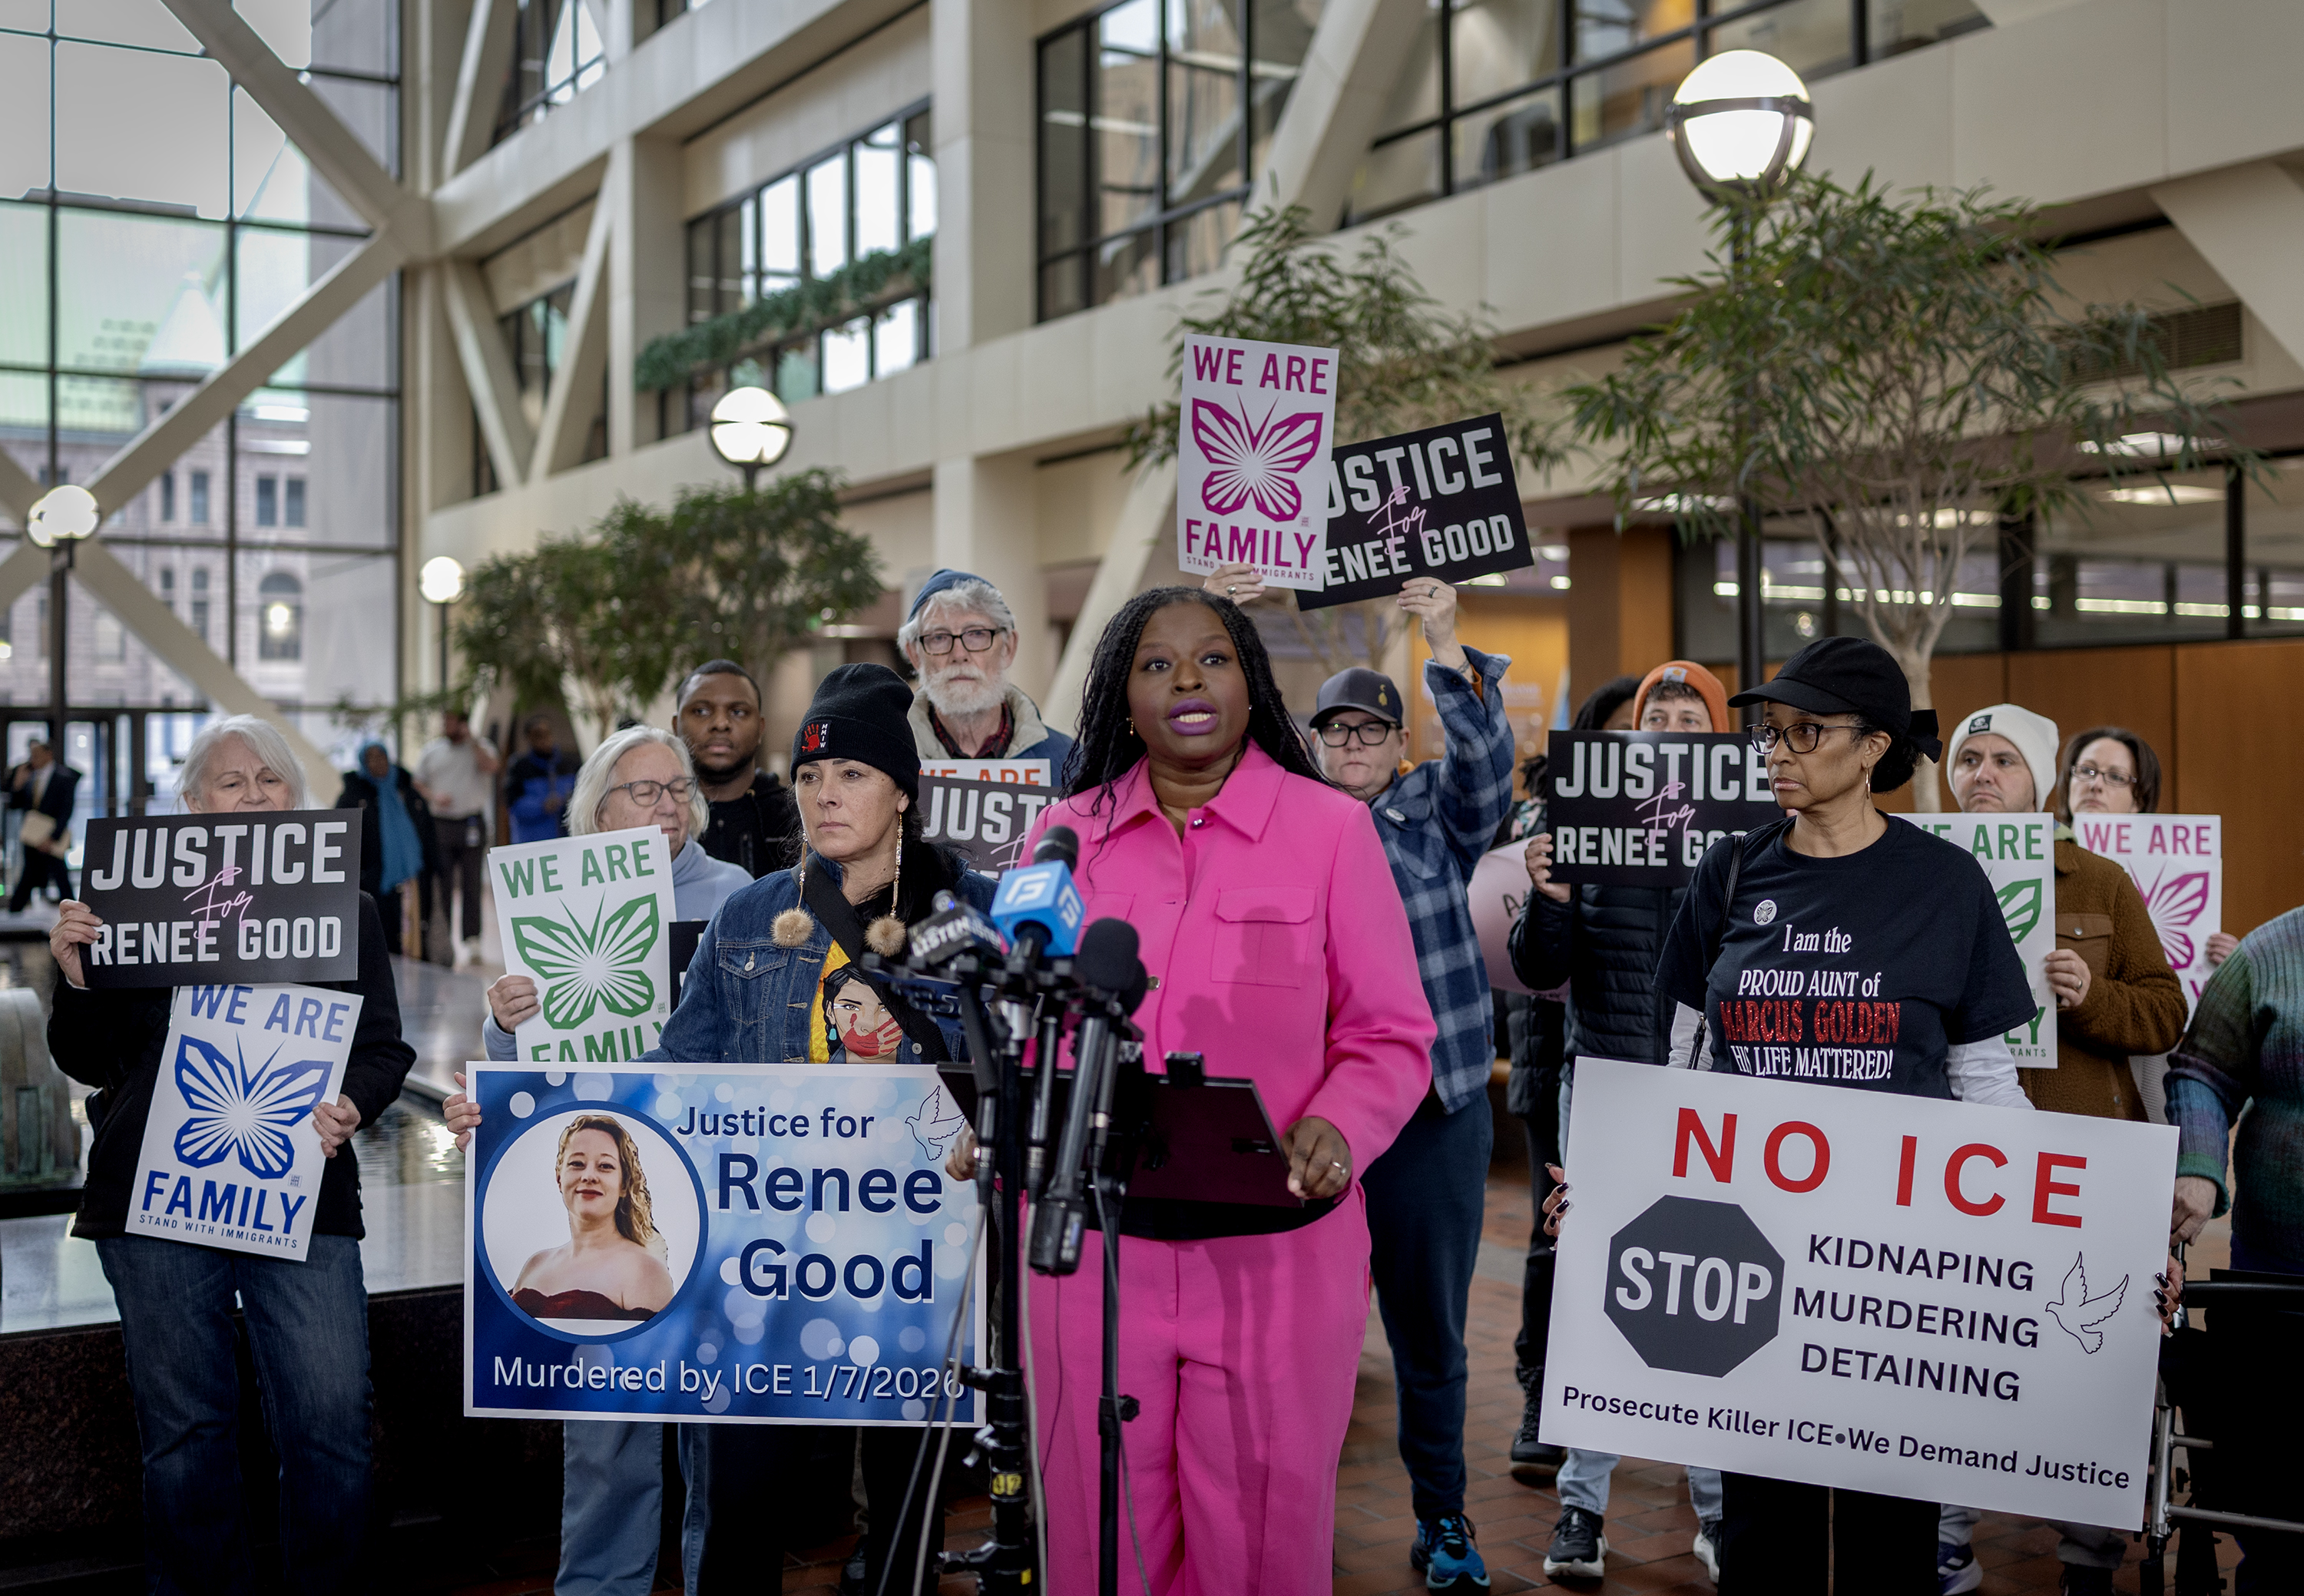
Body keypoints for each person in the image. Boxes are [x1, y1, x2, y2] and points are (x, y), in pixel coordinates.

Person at [1008, 586, 1433, 1596]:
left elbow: (1389, 1033)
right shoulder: (1063, 837)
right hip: (1094, 1253)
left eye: (1213, 660)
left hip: (1276, 1254)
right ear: (1121, 695)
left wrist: (1338, 1120)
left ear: (1252, 683)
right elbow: (1021, 1022)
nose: (1187, 680)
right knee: (1098, 1534)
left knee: (1263, 1539)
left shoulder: (1331, 830)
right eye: (1157, 664)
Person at [1637, 635, 2037, 1596]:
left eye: (1804, 730)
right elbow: (1680, 1066)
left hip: (1891, 1271)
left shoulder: (1947, 885)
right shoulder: (1729, 874)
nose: (1776, 749)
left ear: (1873, 748)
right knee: (1762, 1539)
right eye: (1770, 730)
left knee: (1887, 1546)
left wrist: (2089, 1222)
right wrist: (1622, 1177)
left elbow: (1987, 1087)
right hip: (1747, 1253)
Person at [45, 715, 414, 1592]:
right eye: (230, 781)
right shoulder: (129, 912)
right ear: (191, 804)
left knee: (331, 1419)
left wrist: (353, 1101)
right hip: (154, 1196)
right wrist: (75, 978)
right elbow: (88, 1060)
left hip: (303, 1190)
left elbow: (385, 1047)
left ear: (297, 798)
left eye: (271, 779)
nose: (253, 795)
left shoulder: (345, 909)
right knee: (184, 1434)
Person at [650, 662, 991, 1596]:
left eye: (850, 774)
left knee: (905, 1503)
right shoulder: (752, 913)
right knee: (740, 1497)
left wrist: (908, 1062)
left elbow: (1000, 1093)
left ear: (903, 790)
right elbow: (680, 1074)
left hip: (911, 1259)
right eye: (808, 777)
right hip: (762, 1254)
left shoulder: (968, 914)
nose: (824, 795)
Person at [1208, 562, 1514, 1588]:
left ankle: (1445, 1517)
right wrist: (1230, 621)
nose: (1351, 745)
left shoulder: (1437, 814)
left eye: (1370, 732)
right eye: (1335, 731)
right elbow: (1230, 735)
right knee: (1297, 1334)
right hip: (1314, 1116)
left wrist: (1441, 643)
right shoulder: (1288, 818)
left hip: (1432, 1109)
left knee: (1430, 1332)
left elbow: (1484, 757)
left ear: (1396, 742)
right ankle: (1288, 1518)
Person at [454, 723, 747, 1596]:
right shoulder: (554, 893)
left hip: (712, 1180)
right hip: (603, 1176)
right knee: (608, 1431)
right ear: (598, 809)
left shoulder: (739, 892)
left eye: (677, 789)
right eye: (643, 790)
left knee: (716, 1431)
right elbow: (521, 1072)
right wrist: (503, 1023)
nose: (666, 805)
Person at [1936, 704, 2187, 1596]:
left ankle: (2089, 1554)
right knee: (1952, 1346)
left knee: (2082, 1349)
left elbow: (2166, 1011)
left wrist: (2094, 998)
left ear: (2040, 780)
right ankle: (1948, 1540)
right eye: (1968, 757)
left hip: (2081, 1161)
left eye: (2004, 759)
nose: (1982, 774)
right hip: (1955, 1166)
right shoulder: (1911, 874)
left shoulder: (2103, 881)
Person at [1508, 662, 1733, 1581]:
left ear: (1717, 742)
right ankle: (1582, 1510)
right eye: (1657, 716)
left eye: (1691, 717)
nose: (1671, 729)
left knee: (1720, 1292)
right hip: (1603, 1083)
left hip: (1718, 1100)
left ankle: (1718, 1511)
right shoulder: (1582, 833)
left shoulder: (1754, 841)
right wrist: (1552, 900)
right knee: (1596, 1297)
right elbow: (1533, 967)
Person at [2165, 906, 2304, 1594]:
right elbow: (2202, 1071)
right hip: (2278, 1273)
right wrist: (2198, 1161)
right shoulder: (2271, 952)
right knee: (2272, 1465)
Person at [2055, 725, 2239, 967]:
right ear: (2069, 782)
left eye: (2116, 777)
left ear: (2138, 800)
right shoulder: (2037, 856)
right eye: (2087, 771)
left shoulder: (2172, 869)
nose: (2096, 784)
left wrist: (2232, 964)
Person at [897, 568, 1075, 768]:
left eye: (977, 634)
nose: (959, 655)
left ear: (1008, 647)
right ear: (914, 655)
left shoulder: (1069, 761)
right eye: (939, 637)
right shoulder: (887, 759)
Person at [511, 1114, 677, 1327]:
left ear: (624, 1185)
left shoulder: (645, 1272)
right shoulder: (535, 1264)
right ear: (559, 1179)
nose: (589, 1176)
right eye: (577, 1163)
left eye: (605, 1166)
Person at [674, 659, 797, 878]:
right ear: (676, 727)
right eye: (701, 711)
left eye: (738, 712)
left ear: (760, 729)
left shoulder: (795, 818)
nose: (720, 723)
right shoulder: (658, 816)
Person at [336, 740, 439, 958]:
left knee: (415, 934)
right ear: (363, 763)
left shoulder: (407, 792)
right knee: (382, 937)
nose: (377, 763)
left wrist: (436, 867)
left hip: (413, 879)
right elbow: (341, 840)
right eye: (370, 758)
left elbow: (427, 831)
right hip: (374, 881)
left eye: (381, 756)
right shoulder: (353, 797)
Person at [414, 710, 500, 965]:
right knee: (444, 883)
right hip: (441, 823)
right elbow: (418, 782)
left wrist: (472, 741)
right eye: (445, 720)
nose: (447, 725)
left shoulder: (480, 748)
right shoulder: (432, 751)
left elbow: (492, 767)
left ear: (462, 724)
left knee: (472, 882)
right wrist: (433, 796)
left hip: (471, 821)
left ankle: (472, 939)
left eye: (451, 721)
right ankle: (445, 938)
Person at [8, 739, 81, 911]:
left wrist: (53, 837)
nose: (33, 759)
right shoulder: (30, 777)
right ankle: (15, 908)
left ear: (48, 755)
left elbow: (66, 811)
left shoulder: (64, 777)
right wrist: (17, 785)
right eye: (32, 755)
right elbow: (15, 805)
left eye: (37, 755)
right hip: (32, 836)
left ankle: (73, 911)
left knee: (60, 874)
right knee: (29, 872)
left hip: (51, 836)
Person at [505, 714, 579, 843]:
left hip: (566, 841)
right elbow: (514, 805)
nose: (544, 739)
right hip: (533, 843)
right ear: (528, 738)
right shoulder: (519, 768)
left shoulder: (569, 764)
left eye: (547, 733)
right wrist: (542, 806)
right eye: (538, 734)